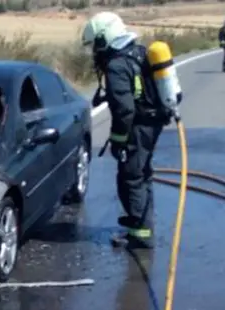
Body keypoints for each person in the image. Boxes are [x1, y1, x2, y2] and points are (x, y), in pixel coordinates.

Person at [81, 11, 174, 250]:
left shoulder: (116, 65)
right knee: (142, 173)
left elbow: (124, 110)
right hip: (152, 123)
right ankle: (142, 224)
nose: (94, 50)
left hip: (138, 127)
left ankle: (140, 233)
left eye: (95, 44)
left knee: (131, 178)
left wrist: (117, 140)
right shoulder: (139, 52)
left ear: (104, 39)